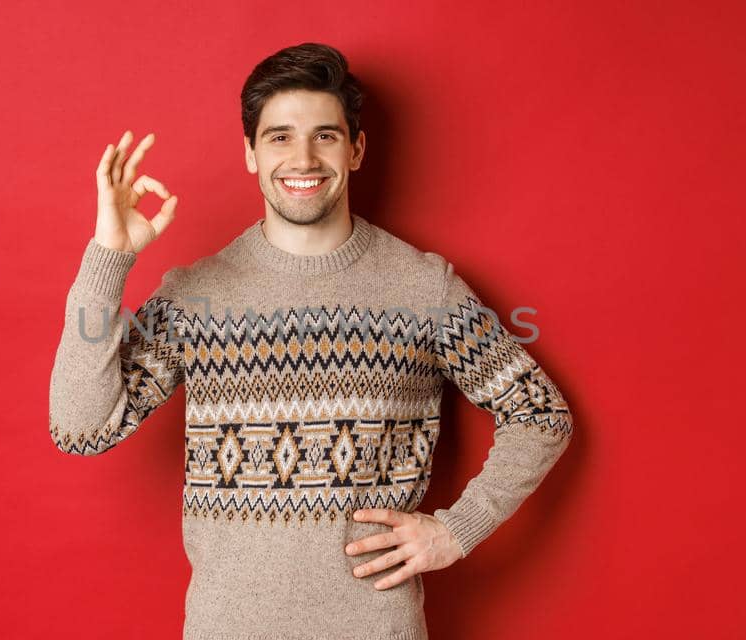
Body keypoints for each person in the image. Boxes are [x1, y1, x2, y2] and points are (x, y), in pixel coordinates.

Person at [49, 42, 574, 640]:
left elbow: (538, 414)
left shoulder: (424, 287)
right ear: (249, 153)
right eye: (278, 136)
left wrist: (458, 529)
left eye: (325, 135)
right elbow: (80, 429)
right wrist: (109, 257)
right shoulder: (196, 295)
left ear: (356, 149)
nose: (303, 157)